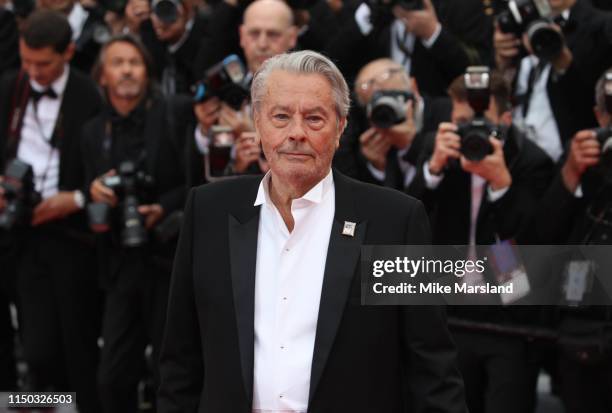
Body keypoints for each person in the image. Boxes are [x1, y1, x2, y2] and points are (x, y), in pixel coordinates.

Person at [158, 49, 467, 413]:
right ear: (257, 122)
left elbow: (432, 370)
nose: (297, 133)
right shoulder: (209, 210)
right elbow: (180, 359)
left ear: (341, 127)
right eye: (281, 117)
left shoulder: (394, 221)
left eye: (315, 119)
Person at [406, 69, 554, 413]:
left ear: (506, 118)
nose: (471, 131)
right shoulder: (435, 148)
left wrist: (502, 186)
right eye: (462, 121)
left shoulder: (532, 161)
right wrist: (432, 171)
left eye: (482, 121)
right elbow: (409, 221)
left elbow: (538, 244)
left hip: (508, 315)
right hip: (448, 310)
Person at [0, 9, 102, 411]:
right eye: (27, 61)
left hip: (67, 235)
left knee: (62, 347)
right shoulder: (10, 87)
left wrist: (74, 198)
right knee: (22, 349)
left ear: (69, 52)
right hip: (15, 231)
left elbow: (100, 167)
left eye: (43, 63)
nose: (33, 71)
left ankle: (69, 406)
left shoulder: (88, 96)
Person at [82, 34, 186, 413]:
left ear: (147, 71)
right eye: (117, 63)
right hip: (120, 265)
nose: (127, 70)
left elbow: (195, 182)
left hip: (167, 261)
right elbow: (84, 189)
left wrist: (162, 207)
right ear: (102, 76)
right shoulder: (93, 132)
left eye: (135, 62)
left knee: (168, 371)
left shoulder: (174, 112)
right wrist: (94, 190)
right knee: (112, 376)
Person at [334, 58, 451, 190]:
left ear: (413, 88)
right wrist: (377, 167)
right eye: (376, 105)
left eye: (393, 98)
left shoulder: (447, 114)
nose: (387, 111)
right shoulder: (369, 134)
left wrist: (412, 143)